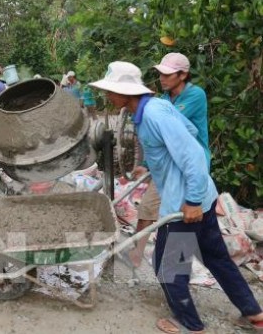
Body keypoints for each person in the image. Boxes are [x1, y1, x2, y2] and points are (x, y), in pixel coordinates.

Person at [90, 61, 263, 333]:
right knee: (216, 258)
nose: (107, 96)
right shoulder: (156, 106)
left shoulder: (153, 115)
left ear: (127, 92)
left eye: (111, 91)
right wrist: (153, 166)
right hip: (200, 197)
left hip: (186, 203)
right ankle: (255, 314)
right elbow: (190, 133)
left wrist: (192, 201)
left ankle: (189, 323)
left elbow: (193, 155)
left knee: (168, 265)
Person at [128, 53, 210, 268]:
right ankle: (137, 256)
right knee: (149, 208)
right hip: (169, 165)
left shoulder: (195, 95)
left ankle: (174, 272)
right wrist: (145, 165)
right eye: (160, 74)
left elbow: (164, 121)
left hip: (191, 165)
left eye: (168, 74)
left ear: (183, 75)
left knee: (183, 220)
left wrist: (144, 106)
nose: (162, 78)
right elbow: (155, 137)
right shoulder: (163, 101)